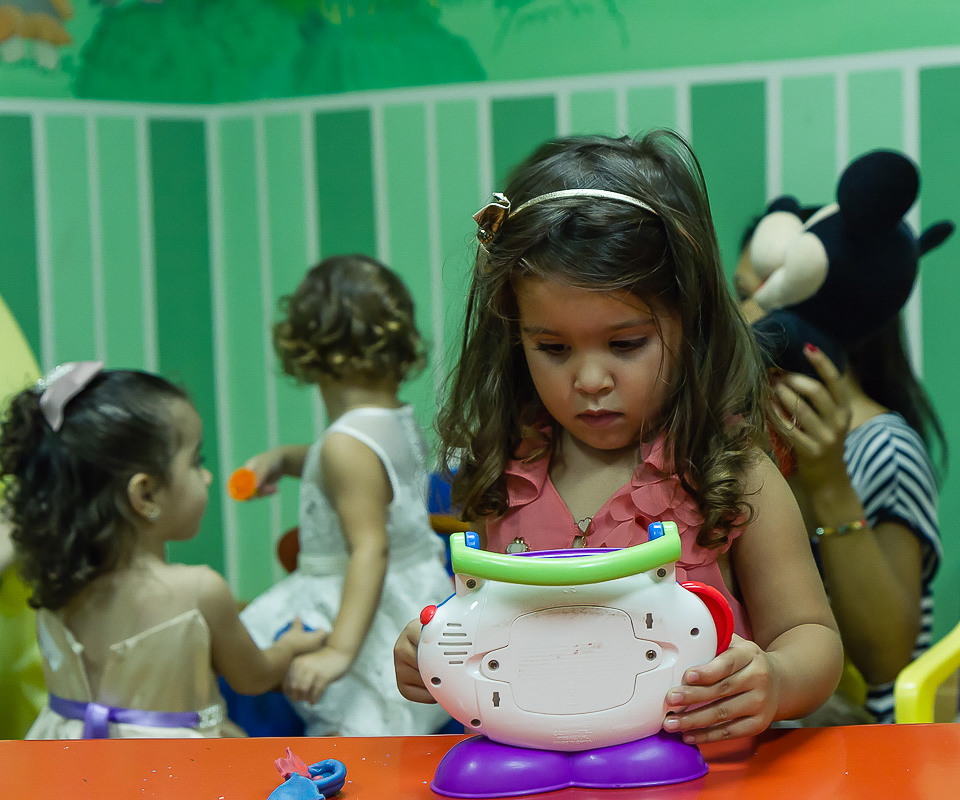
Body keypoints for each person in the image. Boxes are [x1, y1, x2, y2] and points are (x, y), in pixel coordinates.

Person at [394, 130, 843, 745]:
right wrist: (431, 651)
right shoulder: (502, 473)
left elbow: (812, 637)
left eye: (625, 344)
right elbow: (487, 636)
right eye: (551, 348)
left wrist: (777, 678)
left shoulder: (734, 473)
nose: (590, 380)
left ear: (691, 323)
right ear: (513, 335)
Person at [0, 363, 326, 739]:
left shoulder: (55, 581)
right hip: (174, 766)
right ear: (146, 494)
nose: (206, 476)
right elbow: (253, 678)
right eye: (195, 462)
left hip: (65, 759)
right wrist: (289, 647)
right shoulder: (200, 590)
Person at [238, 255, 453, 737]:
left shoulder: (345, 446)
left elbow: (369, 548)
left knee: (358, 729)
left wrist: (338, 651)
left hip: (360, 601)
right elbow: (363, 475)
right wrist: (285, 460)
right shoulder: (392, 421)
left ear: (308, 350)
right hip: (415, 584)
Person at [735, 240, 945, 724]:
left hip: (863, 737)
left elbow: (885, 663)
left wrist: (829, 483)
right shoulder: (736, 442)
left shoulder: (883, 447)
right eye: (742, 293)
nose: (745, 315)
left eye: (768, 295)